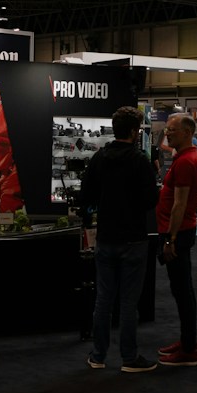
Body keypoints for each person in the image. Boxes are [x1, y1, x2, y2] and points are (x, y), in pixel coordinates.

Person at [78, 106, 159, 373]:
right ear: (136, 132)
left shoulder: (99, 158)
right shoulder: (140, 160)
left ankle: (98, 355)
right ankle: (129, 357)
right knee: (128, 302)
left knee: (103, 299)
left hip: (106, 236)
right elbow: (150, 200)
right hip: (133, 237)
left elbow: (86, 196)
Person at [156, 112, 197, 367]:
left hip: (178, 232)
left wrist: (170, 239)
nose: (167, 133)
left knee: (183, 291)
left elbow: (180, 204)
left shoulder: (187, 161)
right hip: (179, 230)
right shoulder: (185, 158)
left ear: (187, 133)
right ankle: (187, 342)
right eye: (167, 129)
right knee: (180, 289)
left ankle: (189, 349)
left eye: (172, 130)